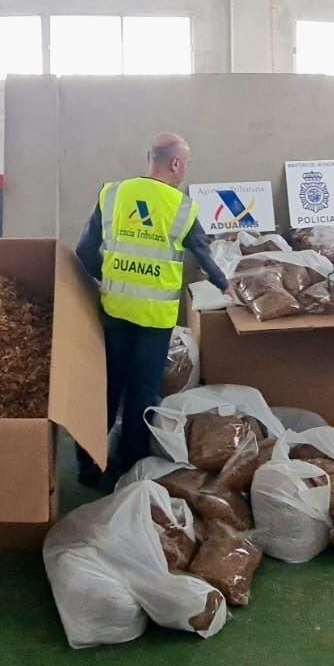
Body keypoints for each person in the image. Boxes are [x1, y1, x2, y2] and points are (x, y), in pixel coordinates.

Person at [76, 133, 229, 485]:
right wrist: (225, 283)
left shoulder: (113, 194)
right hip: (154, 320)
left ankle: (89, 467)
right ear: (175, 163)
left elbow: (84, 251)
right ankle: (131, 469)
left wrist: (110, 277)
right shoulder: (180, 207)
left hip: (115, 310)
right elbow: (204, 255)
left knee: (107, 390)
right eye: (186, 164)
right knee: (141, 394)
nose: (185, 170)